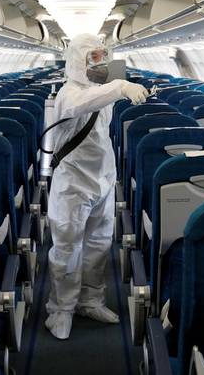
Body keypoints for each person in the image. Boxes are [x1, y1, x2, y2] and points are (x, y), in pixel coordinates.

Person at [45, 33, 149, 339]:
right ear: (78, 60)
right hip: (73, 182)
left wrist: (118, 88)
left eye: (103, 57)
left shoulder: (101, 92)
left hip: (103, 178)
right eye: (94, 58)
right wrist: (120, 86)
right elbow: (79, 107)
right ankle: (60, 309)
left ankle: (90, 300)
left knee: (98, 245)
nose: (101, 63)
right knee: (67, 247)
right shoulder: (69, 93)